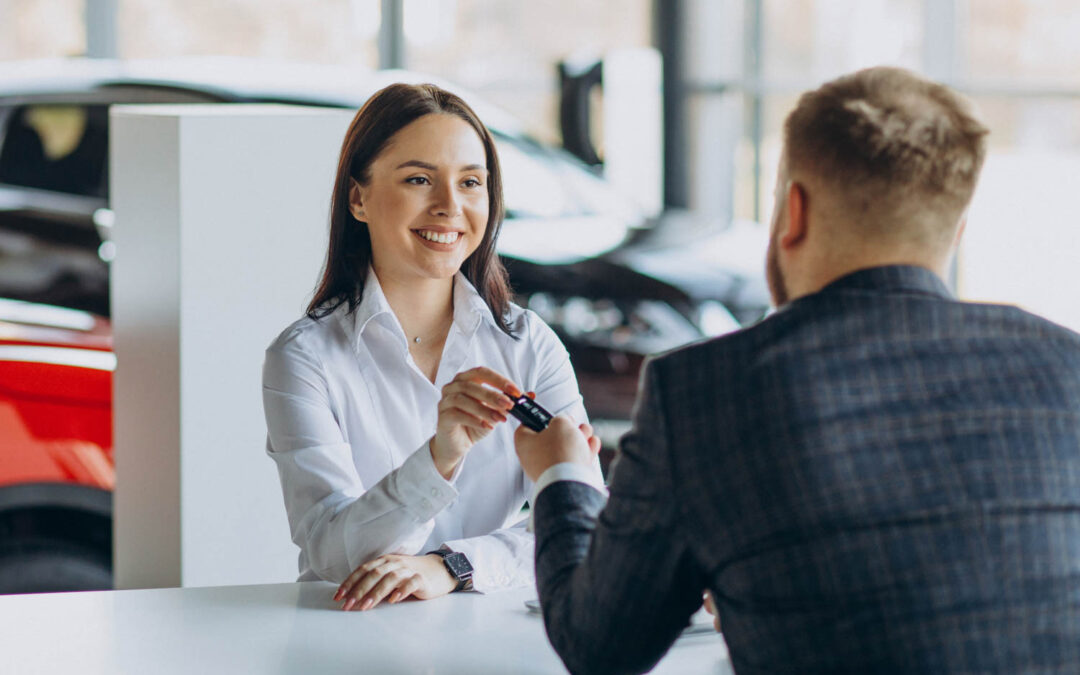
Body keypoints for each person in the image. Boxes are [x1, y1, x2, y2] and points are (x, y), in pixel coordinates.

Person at [515, 66, 1080, 674]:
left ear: (794, 210)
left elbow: (599, 647)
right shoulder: (1066, 365)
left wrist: (562, 473)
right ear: (957, 231)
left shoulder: (706, 393)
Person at [262, 83, 599, 611]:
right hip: (348, 639)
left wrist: (454, 566)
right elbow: (333, 552)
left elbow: (584, 526)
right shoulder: (304, 358)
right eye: (419, 179)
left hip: (495, 641)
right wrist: (440, 458)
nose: (449, 206)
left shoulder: (529, 344)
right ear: (359, 198)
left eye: (470, 182)